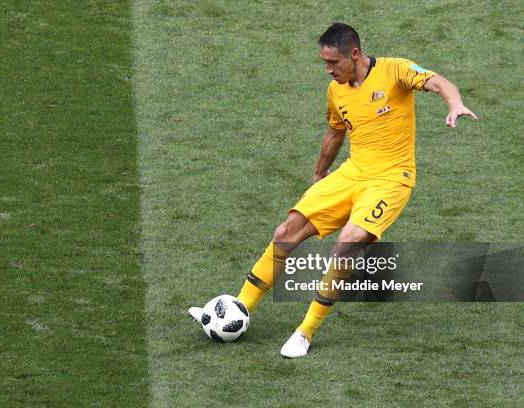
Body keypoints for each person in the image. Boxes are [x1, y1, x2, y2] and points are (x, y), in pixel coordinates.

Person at [189, 22, 477, 358]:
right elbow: (334, 133)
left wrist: (454, 104)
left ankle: (305, 331)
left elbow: (438, 81)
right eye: (324, 63)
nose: (328, 70)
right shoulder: (336, 90)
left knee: (347, 243)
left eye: (333, 62)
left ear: (354, 54)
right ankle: (239, 307)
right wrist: (319, 173)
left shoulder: (395, 70)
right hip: (352, 173)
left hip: (391, 179)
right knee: (286, 231)